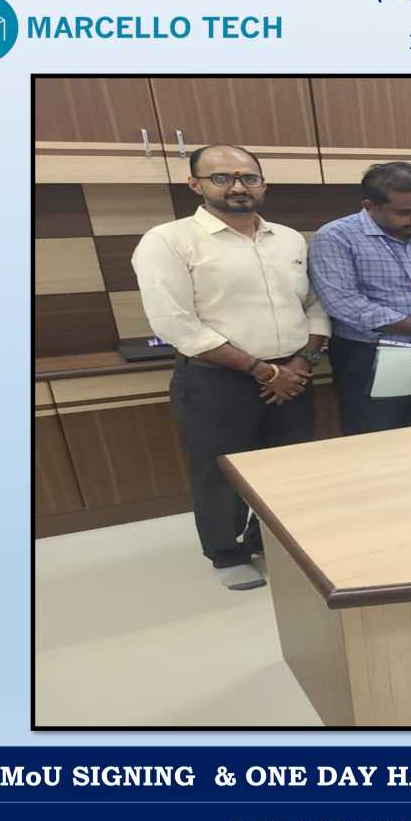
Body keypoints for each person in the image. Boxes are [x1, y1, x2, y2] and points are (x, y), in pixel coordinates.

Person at [132, 145, 329, 591]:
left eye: (249, 177)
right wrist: (262, 371)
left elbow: (314, 306)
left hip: (293, 375)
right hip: (217, 379)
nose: (238, 186)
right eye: (222, 178)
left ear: (263, 184)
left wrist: (302, 362)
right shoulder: (168, 240)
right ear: (194, 184)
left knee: (290, 467)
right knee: (220, 471)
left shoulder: (289, 239)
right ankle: (227, 553)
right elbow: (175, 323)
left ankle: (273, 543)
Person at [308, 162, 411, 434]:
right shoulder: (336, 237)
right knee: (376, 438)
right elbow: (342, 302)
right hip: (371, 354)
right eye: (406, 212)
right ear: (371, 206)